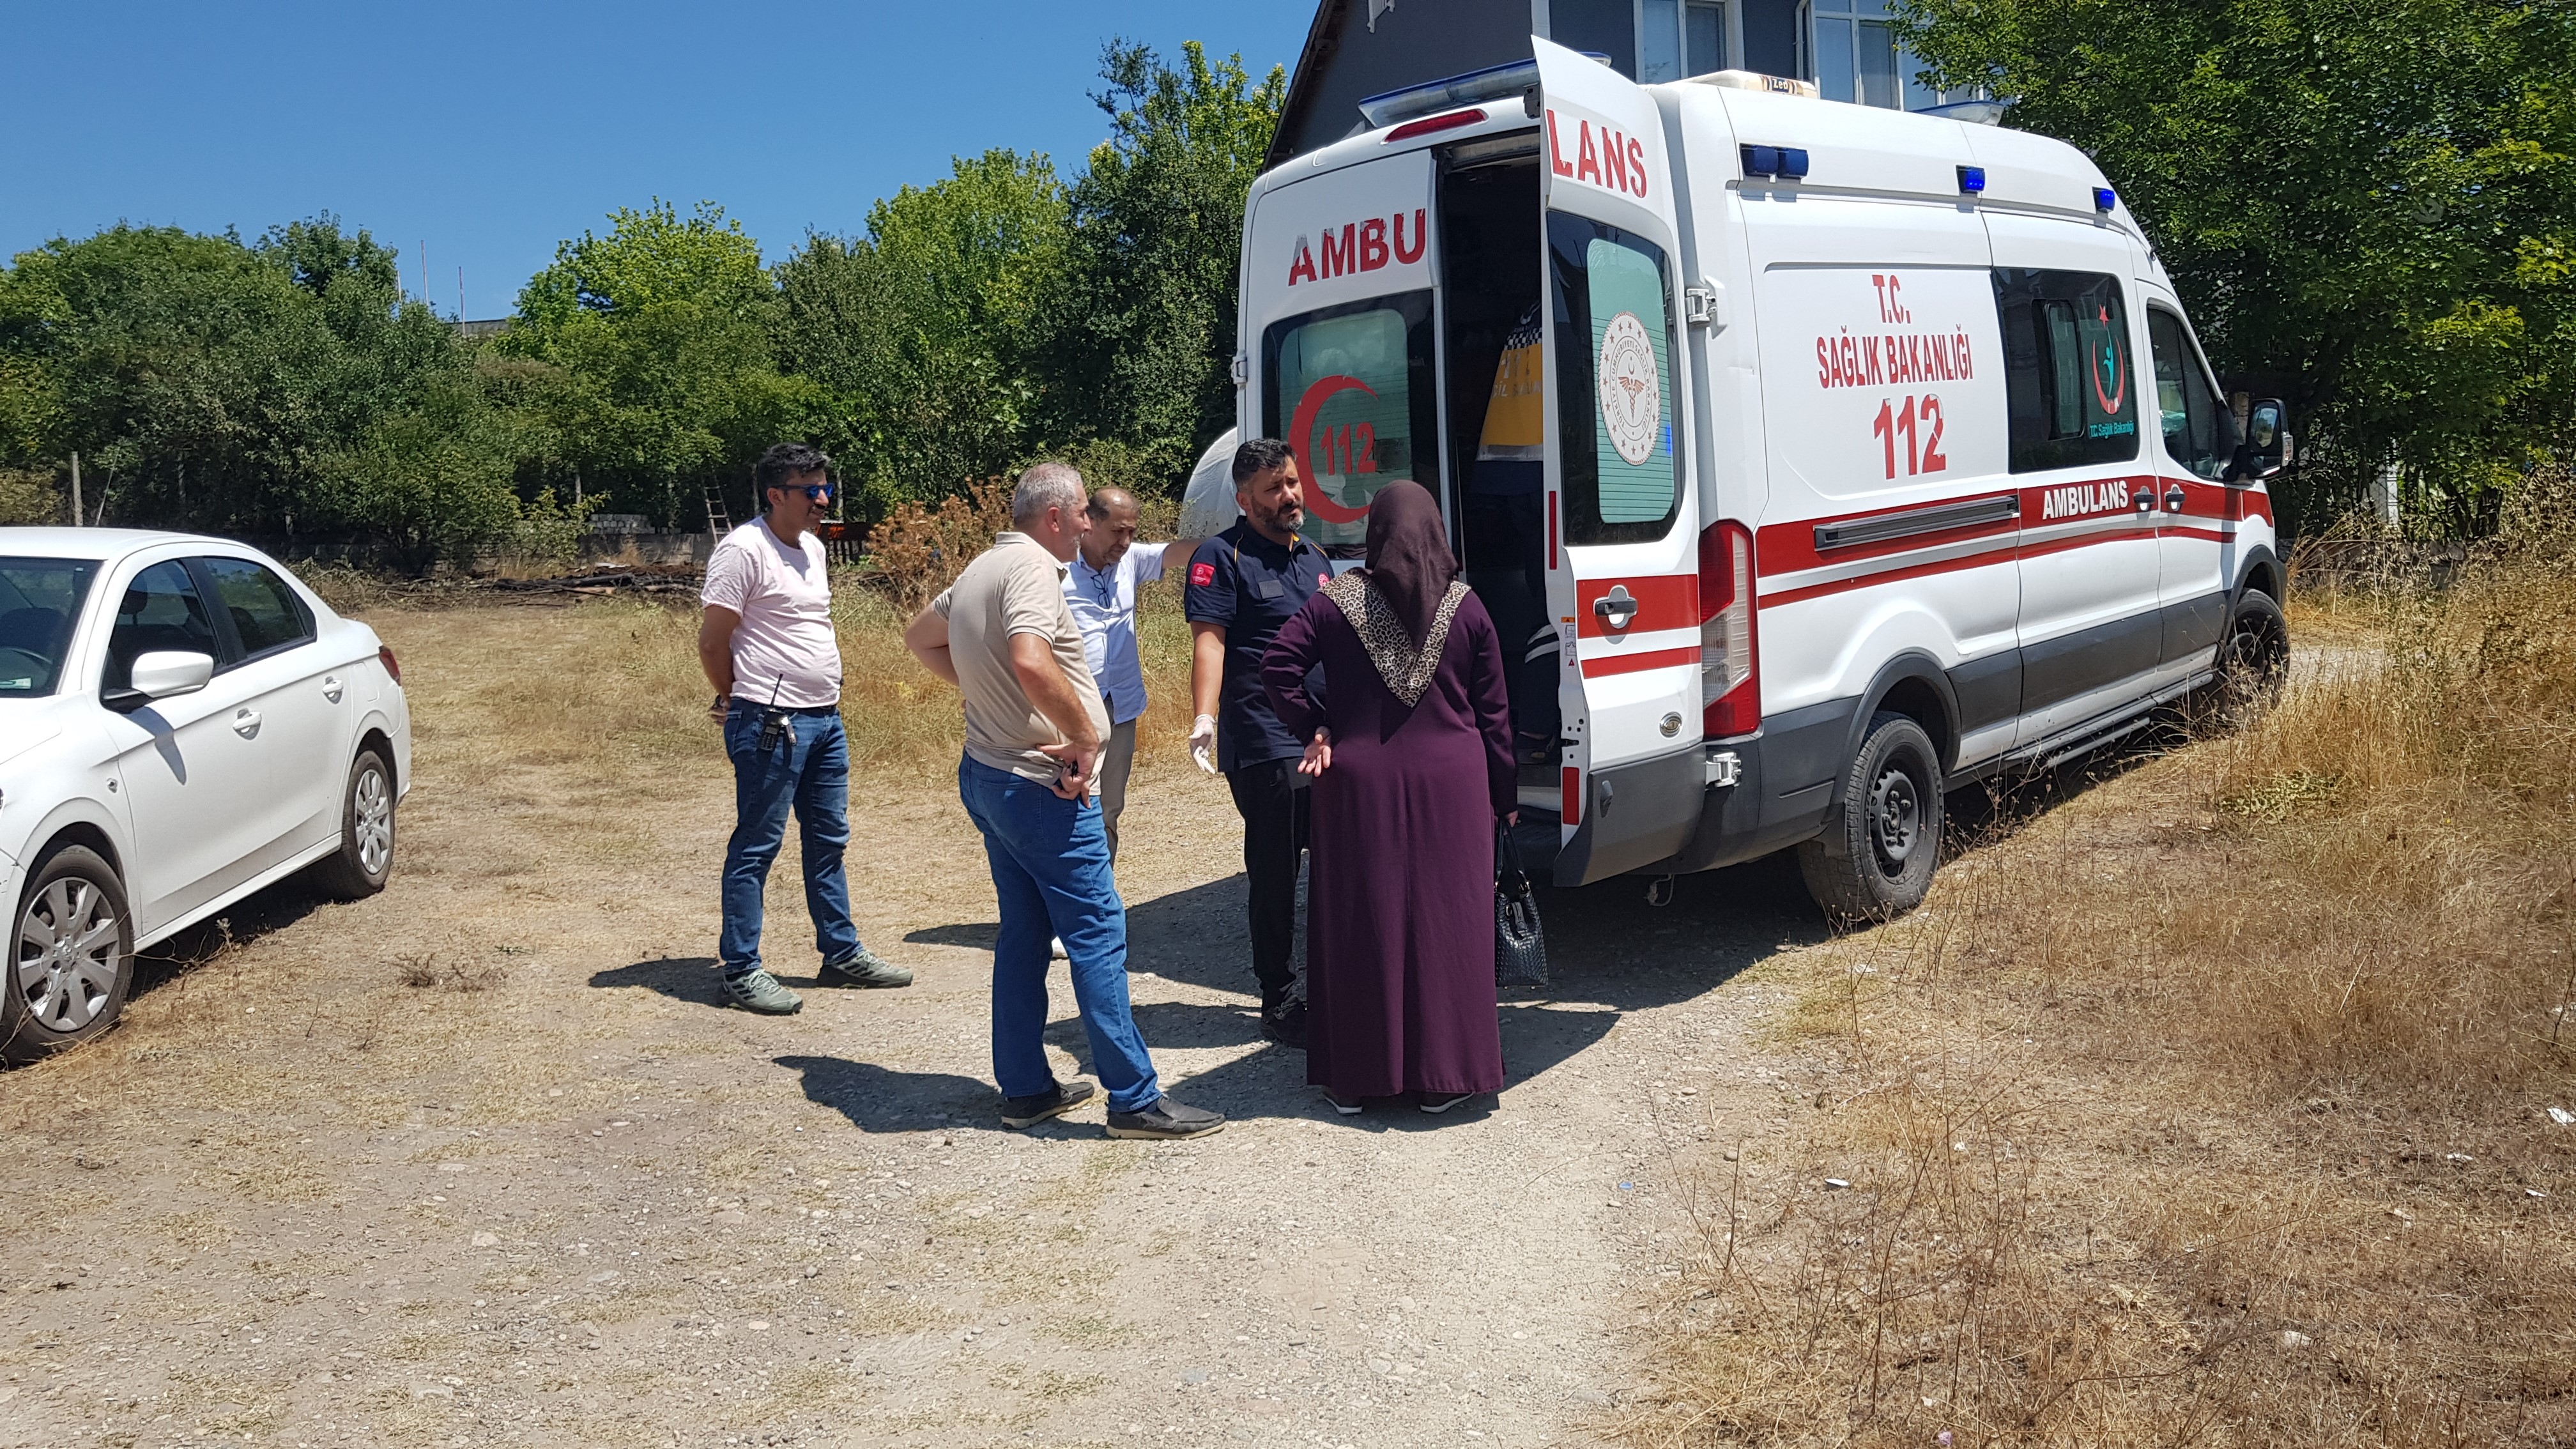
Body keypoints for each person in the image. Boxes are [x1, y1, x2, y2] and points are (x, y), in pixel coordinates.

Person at [902, 464, 1225, 1140]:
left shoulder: (982, 568)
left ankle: (1025, 1089)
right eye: (1082, 513)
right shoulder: (1030, 573)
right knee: (1099, 936)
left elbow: (920, 637)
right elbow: (1028, 657)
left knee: (1023, 930)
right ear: (1054, 516)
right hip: (1041, 786)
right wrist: (1080, 732)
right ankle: (1134, 1100)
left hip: (990, 775)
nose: (1087, 524)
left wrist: (984, 698)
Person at [1259, 480, 1515, 1116]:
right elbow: (1496, 717)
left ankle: (1354, 1078)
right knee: (1446, 926)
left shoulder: (1335, 604)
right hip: (1453, 789)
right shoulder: (1469, 608)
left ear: (1375, 533)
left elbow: (1275, 667)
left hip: (1357, 787)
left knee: (1359, 922)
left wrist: (1315, 725)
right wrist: (1505, 795)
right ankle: (1442, 1079)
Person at [699, 443, 913, 1015]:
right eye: (811, 490)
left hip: (825, 720)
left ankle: (840, 953)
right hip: (770, 722)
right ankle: (741, 970)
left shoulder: (814, 549)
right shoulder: (743, 550)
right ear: (775, 495)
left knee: (828, 842)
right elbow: (714, 640)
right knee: (757, 846)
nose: (824, 499)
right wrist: (733, 696)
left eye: (827, 488)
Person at [1183, 438, 1336, 1049]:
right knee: (1275, 870)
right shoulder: (1222, 557)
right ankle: (1280, 996)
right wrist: (1204, 714)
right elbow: (1211, 641)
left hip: (1321, 734)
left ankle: (1333, 981)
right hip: (1264, 736)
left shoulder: (1316, 558)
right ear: (1245, 499)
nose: (1290, 496)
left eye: (1293, 483)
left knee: (1333, 863)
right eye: (1274, 489)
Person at [1062, 484, 1197, 861]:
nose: (1125, 541)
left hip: (1119, 705)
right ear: (1089, 524)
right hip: (1072, 707)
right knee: (1074, 804)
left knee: (1110, 805)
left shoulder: (1131, 561)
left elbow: (1177, 553)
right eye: (1117, 531)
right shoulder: (1056, 568)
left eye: (1131, 532)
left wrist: (1237, 541)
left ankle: (1102, 893)